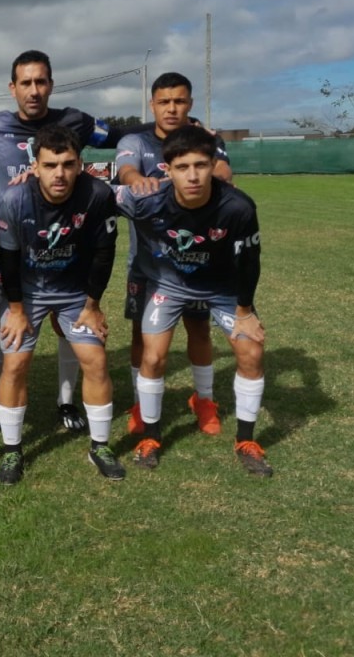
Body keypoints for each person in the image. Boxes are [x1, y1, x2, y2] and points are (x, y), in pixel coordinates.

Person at [114, 126, 271, 475]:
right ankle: (151, 438)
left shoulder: (238, 207)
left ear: (214, 164)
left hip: (223, 288)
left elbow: (249, 262)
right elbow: (91, 196)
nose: (193, 175)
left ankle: (247, 441)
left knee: (252, 352)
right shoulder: (146, 198)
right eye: (182, 167)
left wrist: (245, 312)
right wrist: (32, 180)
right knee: (152, 357)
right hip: (168, 285)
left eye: (201, 165)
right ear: (167, 170)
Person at [0, 50, 105, 432]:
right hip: (17, 250)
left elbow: (124, 133)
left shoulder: (77, 122)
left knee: (65, 329)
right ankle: (8, 412)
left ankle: (66, 402)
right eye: (25, 83)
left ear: (51, 84)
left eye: (41, 82)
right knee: (11, 332)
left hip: (67, 251)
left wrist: (198, 134)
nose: (33, 91)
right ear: (12, 87)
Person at [0, 124, 122, 484]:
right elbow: (7, 260)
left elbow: (103, 252)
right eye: (50, 165)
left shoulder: (97, 194)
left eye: (67, 164)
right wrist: (16, 310)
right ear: (35, 167)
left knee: (95, 359)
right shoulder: (15, 199)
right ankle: (12, 450)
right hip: (26, 291)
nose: (59, 173)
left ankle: (100, 446)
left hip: (73, 293)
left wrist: (92, 305)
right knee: (15, 364)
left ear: (81, 164)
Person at [114, 73, 233, 438]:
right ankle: (140, 402)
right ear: (152, 104)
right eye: (164, 101)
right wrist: (138, 181)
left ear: (190, 104)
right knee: (142, 334)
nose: (171, 108)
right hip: (147, 263)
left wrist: (177, 180)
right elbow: (127, 170)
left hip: (196, 262)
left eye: (179, 101)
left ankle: (204, 400)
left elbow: (226, 175)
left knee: (198, 328)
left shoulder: (207, 140)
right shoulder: (136, 139)